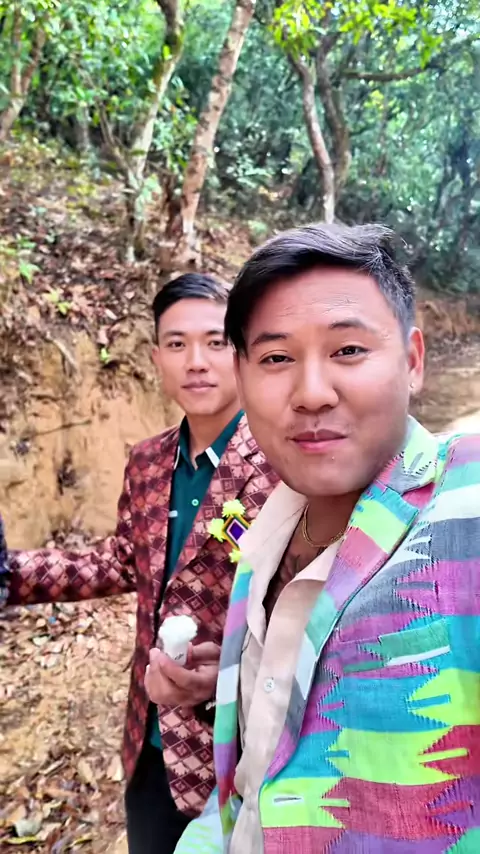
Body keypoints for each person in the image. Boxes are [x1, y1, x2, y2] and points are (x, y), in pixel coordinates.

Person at [174, 224, 480, 853]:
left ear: (413, 361)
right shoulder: (268, 531)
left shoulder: (463, 510)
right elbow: (250, 781)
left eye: (348, 350)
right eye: (277, 359)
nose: (312, 393)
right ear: (243, 376)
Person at [5, 273, 278, 854]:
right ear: (156, 358)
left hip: (248, 750)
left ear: (242, 351)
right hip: (150, 739)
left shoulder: (284, 462)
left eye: (214, 341)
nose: (195, 361)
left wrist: (228, 681)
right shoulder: (149, 461)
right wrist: (11, 572)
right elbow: (122, 561)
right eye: (177, 344)